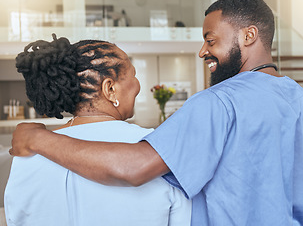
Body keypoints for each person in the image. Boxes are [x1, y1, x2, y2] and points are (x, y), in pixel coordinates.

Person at [10, 0, 303, 226]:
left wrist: (39, 139)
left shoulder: (217, 101)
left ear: (249, 35)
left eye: (210, 40)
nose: (202, 51)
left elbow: (136, 167)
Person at [5, 35, 191, 226]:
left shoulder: (26, 152)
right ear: (109, 88)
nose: (137, 85)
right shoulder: (154, 150)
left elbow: (17, 217)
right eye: (133, 75)